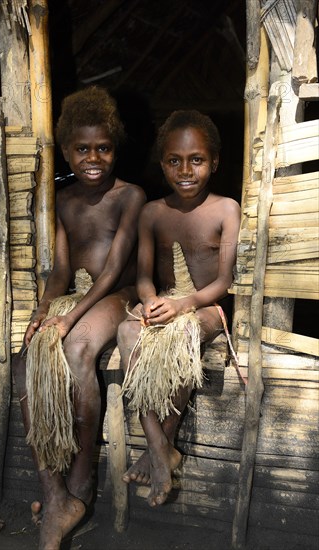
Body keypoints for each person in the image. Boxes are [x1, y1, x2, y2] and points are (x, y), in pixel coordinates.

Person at [12, 85, 146, 550]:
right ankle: (55, 495)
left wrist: (70, 320)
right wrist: (42, 311)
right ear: (67, 150)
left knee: (76, 347)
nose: (94, 158)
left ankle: (83, 476)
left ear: (115, 149)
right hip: (80, 293)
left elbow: (110, 272)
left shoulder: (131, 195)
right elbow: (61, 272)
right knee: (30, 357)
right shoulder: (63, 200)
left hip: (118, 292)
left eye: (103, 148)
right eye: (83, 149)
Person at [117, 109, 241, 508]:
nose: (185, 170)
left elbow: (224, 282)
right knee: (126, 331)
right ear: (162, 163)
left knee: (183, 335)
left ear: (215, 162)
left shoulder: (226, 209)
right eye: (174, 160)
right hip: (167, 303)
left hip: (205, 309)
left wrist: (183, 304)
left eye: (197, 160)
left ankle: (156, 446)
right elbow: (142, 277)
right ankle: (160, 446)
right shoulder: (153, 212)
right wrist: (151, 300)